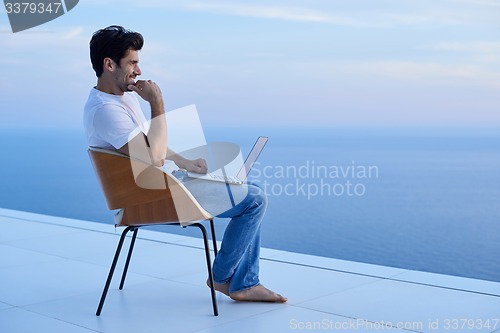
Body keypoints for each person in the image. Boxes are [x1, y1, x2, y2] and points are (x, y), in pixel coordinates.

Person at [83, 25, 287, 303]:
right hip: (147, 198)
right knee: (255, 199)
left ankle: (241, 281)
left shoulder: (119, 100)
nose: (139, 71)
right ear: (109, 64)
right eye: (132, 62)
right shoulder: (105, 111)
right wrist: (158, 103)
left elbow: (145, 145)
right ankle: (229, 280)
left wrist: (185, 162)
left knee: (252, 187)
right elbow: (151, 156)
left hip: (163, 184)